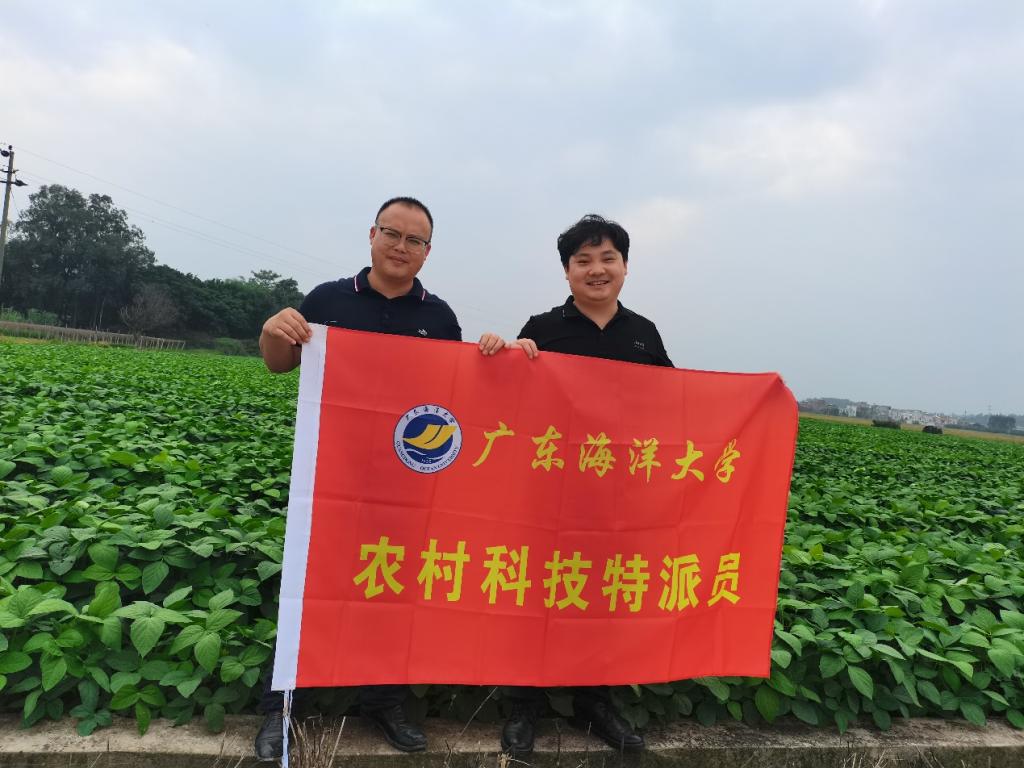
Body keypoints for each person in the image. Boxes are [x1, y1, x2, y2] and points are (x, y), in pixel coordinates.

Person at [256, 196, 465, 760]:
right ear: (372, 235)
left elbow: (456, 394)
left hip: (407, 480)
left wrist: (495, 355)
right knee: (309, 583)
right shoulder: (328, 300)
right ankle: (281, 705)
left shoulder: (440, 318)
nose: (401, 247)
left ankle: (384, 699)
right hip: (333, 471)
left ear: (427, 252)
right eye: (392, 233)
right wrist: (274, 329)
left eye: (414, 240)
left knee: (393, 588)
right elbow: (279, 362)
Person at [481, 213, 673, 756]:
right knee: (537, 594)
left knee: (601, 600)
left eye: (607, 258)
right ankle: (524, 705)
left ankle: (595, 702)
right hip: (548, 492)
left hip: (616, 497)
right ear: (567, 271)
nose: (596, 269)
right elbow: (507, 399)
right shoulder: (543, 327)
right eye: (583, 260)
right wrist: (502, 354)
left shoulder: (644, 334)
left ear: (625, 266)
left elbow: (675, 404)